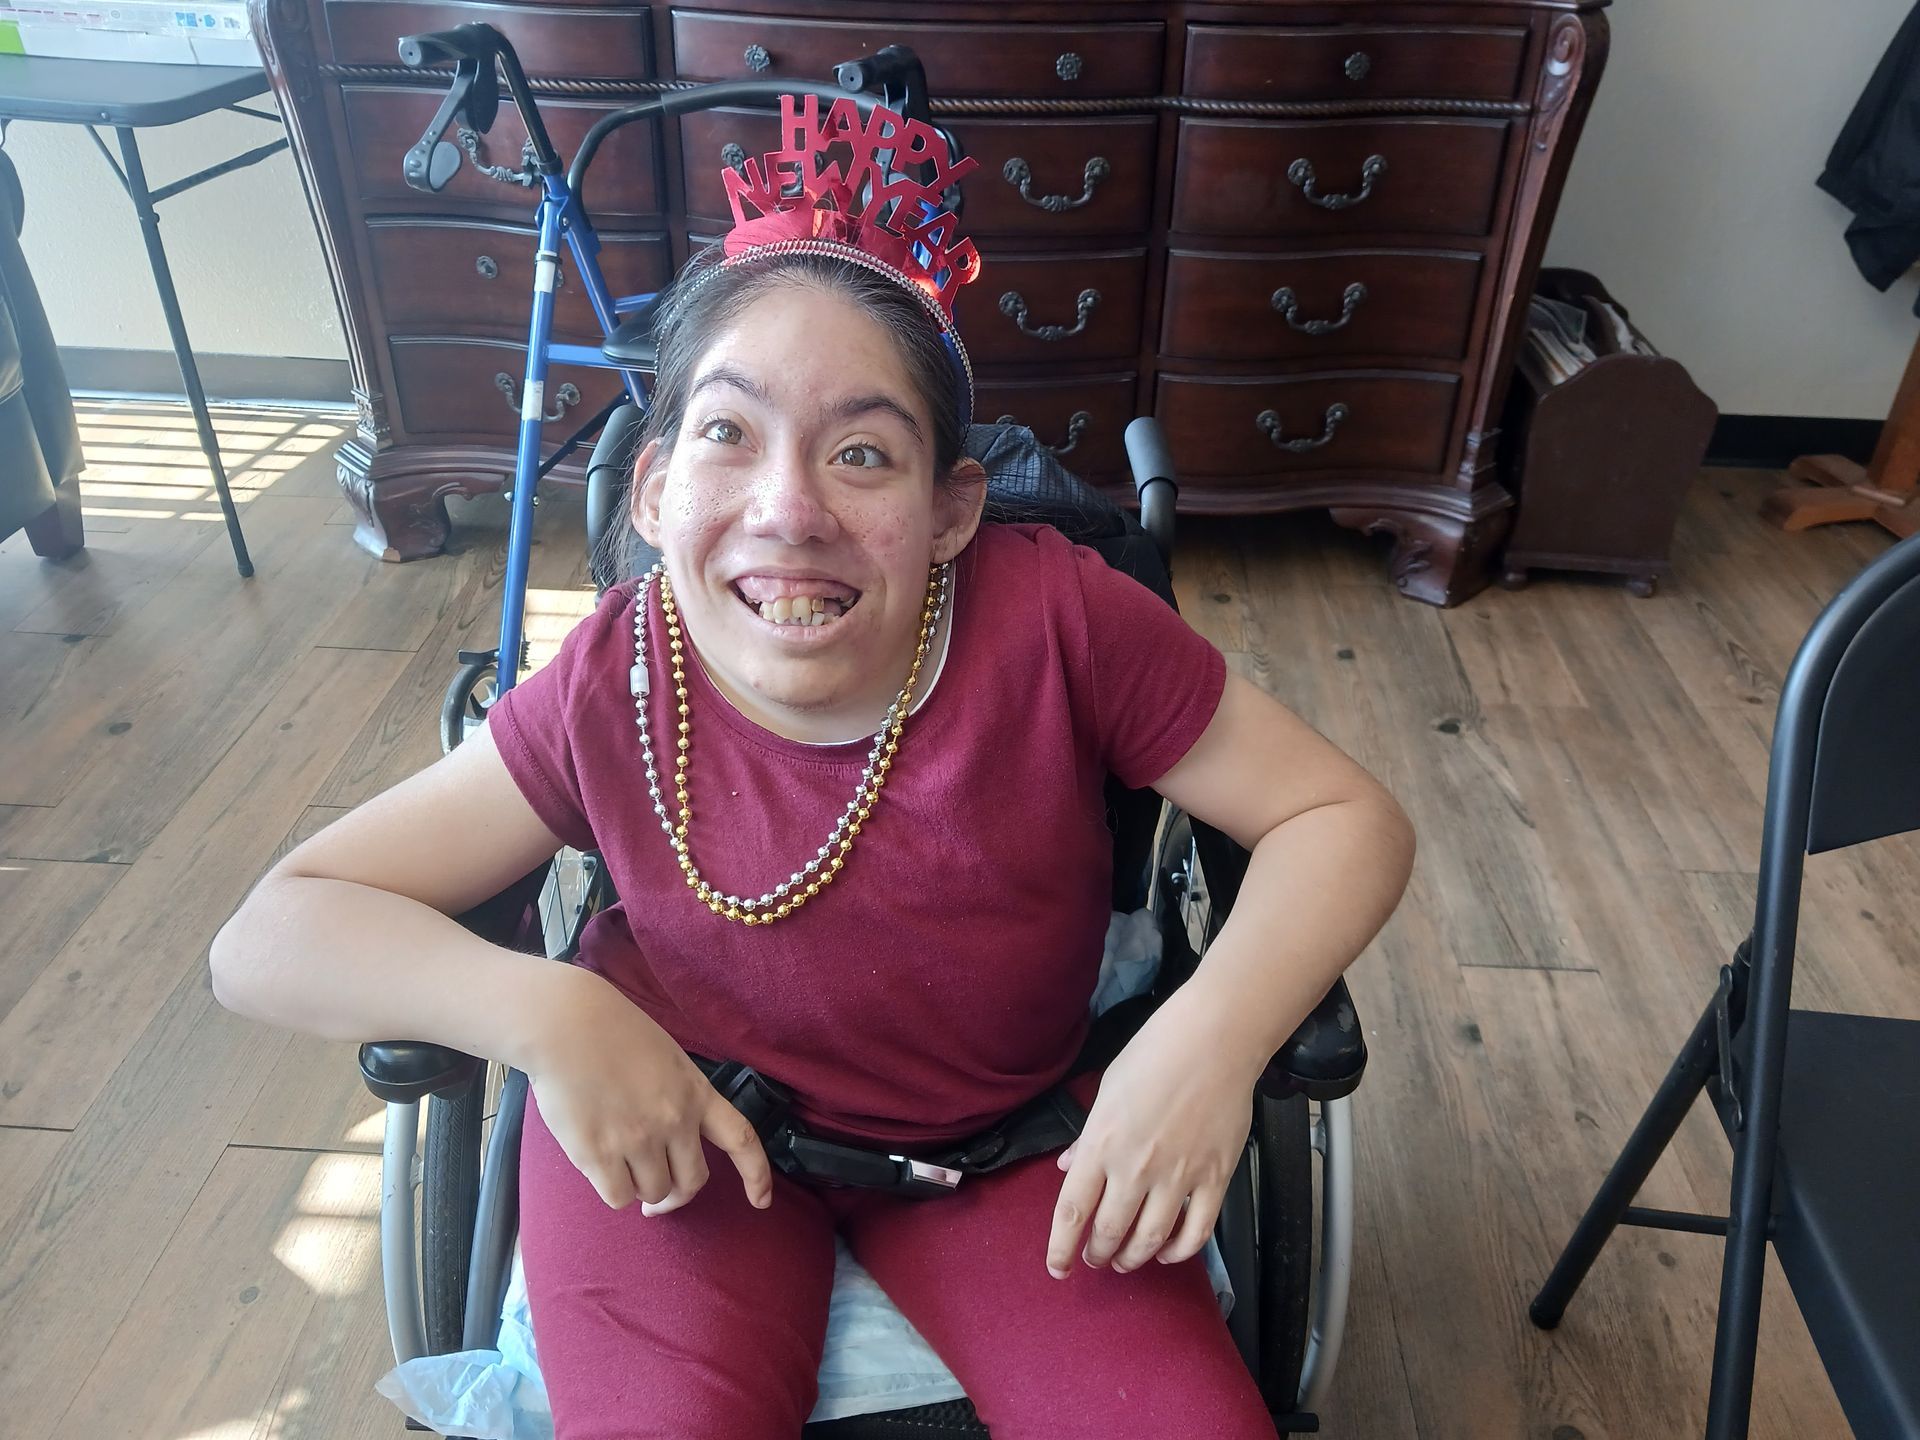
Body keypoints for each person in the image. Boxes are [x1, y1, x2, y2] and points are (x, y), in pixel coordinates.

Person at [210, 98, 1415, 1440]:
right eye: (729, 434)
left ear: (951, 510)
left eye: (862, 454)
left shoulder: (1059, 623)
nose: (789, 509)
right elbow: (269, 935)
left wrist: (1210, 1040)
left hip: (1005, 1145)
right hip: (685, 1134)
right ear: (654, 491)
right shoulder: (622, 674)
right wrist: (549, 1016)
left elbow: (1340, 815)